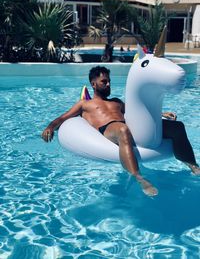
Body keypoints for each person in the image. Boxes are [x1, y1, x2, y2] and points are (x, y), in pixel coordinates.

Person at [42, 66, 200, 197]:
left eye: (109, 81)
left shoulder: (117, 102)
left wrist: (162, 114)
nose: (109, 84)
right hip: (110, 128)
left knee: (178, 127)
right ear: (93, 84)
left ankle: (193, 165)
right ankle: (138, 177)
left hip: (129, 125)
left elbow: (137, 113)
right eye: (104, 82)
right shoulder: (85, 104)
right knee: (123, 130)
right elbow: (62, 118)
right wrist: (50, 127)